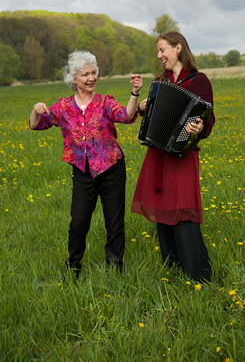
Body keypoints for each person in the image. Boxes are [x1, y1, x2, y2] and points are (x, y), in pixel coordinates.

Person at [29, 50, 143, 276]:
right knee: (78, 221)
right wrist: (35, 109)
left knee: (114, 221)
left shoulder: (104, 102)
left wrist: (135, 93)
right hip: (82, 172)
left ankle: (115, 267)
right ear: (74, 79)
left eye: (93, 73)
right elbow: (36, 125)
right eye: (85, 74)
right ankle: (73, 266)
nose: (91, 78)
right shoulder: (63, 107)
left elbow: (126, 116)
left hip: (111, 168)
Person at [132, 31, 215, 283]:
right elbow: (150, 121)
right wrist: (143, 107)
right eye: (158, 52)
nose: (159, 56)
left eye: (162, 50)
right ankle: (171, 268)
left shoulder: (199, 81)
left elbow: (208, 121)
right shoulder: (160, 83)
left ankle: (198, 275)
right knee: (163, 209)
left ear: (178, 48)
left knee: (184, 212)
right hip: (158, 156)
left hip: (182, 155)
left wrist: (199, 128)